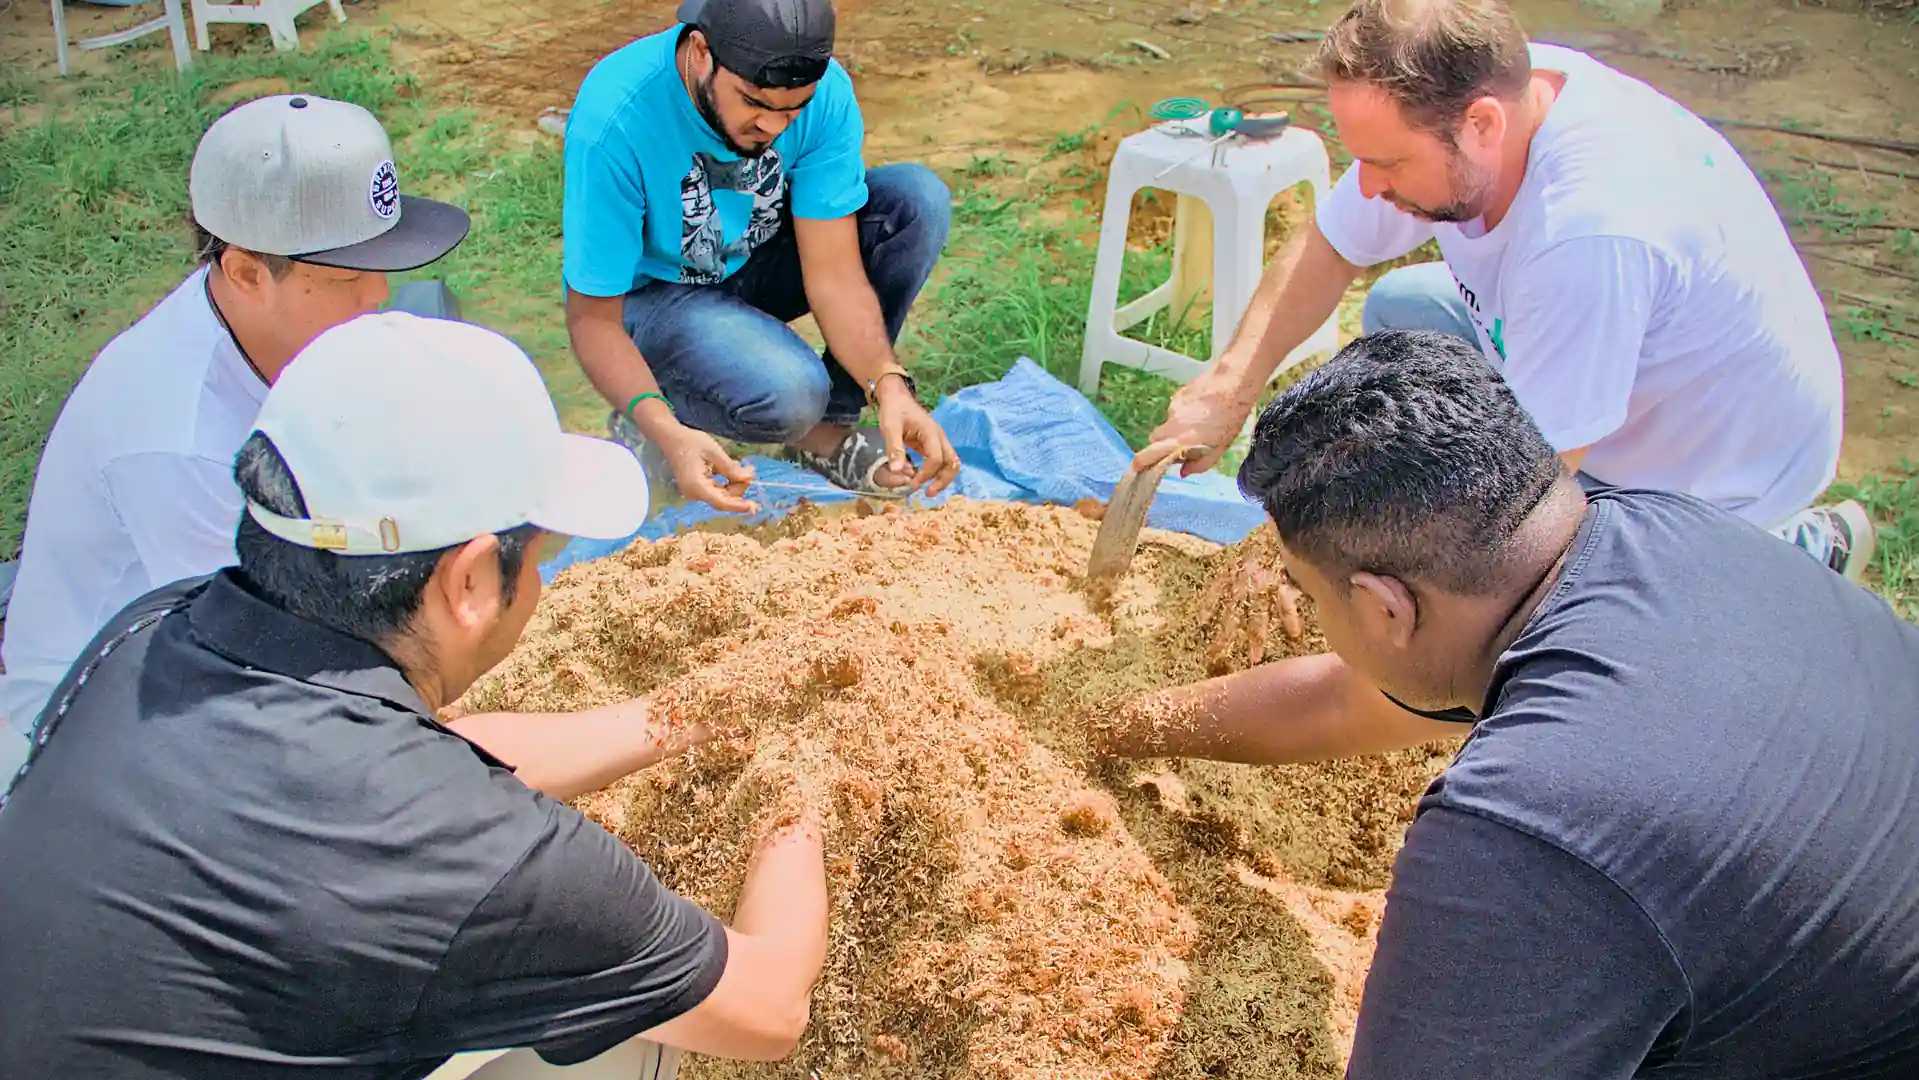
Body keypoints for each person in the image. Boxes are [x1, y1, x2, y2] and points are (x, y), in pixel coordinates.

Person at [0, 313, 829, 1078]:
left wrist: (703, 712)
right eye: (536, 561)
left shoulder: (153, 632)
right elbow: (766, 1008)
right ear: (470, 580)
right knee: (619, 1038)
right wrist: (802, 775)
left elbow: (449, 758)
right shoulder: (480, 857)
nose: (537, 585)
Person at [1105, 330, 1919, 1078]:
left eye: (1307, 595)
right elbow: (1339, 702)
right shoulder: (1661, 533)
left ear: (1386, 609)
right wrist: (1117, 727)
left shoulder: (1522, 834)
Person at [1139, 0, 1872, 579]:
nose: (1366, 184)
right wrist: (1228, 388)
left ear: (1481, 125)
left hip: (1714, 471)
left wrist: (1349, 561)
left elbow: (1528, 493)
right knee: (1404, 314)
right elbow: (1332, 242)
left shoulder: (1586, 235)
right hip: (1608, 370)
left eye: (1385, 161)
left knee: (1556, 592)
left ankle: (1792, 552)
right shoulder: (1491, 90)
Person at [0, 94, 471, 764]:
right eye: (346, 276)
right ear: (247, 271)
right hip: (103, 720)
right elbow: (259, 656)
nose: (377, 296)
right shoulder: (182, 441)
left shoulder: (271, 332)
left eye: (381, 266)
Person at [563, 0, 959, 514]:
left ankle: (827, 434)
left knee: (915, 202)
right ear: (702, 52)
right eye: (753, 102)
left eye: (792, 109)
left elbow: (835, 273)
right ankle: (657, 414)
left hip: (753, 254)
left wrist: (888, 384)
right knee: (790, 393)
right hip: (656, 297)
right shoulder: (614, 119)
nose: (773, 125)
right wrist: (660, 426)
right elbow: (592, 321)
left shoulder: (826, 95)